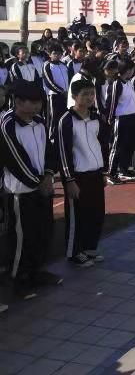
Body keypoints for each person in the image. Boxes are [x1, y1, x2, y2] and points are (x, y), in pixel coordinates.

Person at [1, 80, 61, 299]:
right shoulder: (7, 124)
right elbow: (14, 159)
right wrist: (38, 182)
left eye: (40, 103)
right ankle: (18, 281)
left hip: (41, 188)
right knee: (20, 237)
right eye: (33, 102)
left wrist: (47, 174)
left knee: (42, 233)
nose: (37, 107)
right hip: (20, 191)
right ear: (18, 101)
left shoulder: (40, 121)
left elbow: (49, 151)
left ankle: (36, 272)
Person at [57, 79, 108, 267]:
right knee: (78, 216)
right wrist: (69, 180)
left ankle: (89, 248)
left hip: (95, 173)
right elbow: (63, 153)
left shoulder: (96, 117)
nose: (89, 98)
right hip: (78, 176)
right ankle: (74, 252)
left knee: (96, 213)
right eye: (84, 94)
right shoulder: (66, 121)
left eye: (92, 94)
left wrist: (104, 171)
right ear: (74, 96)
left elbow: (103, 145)